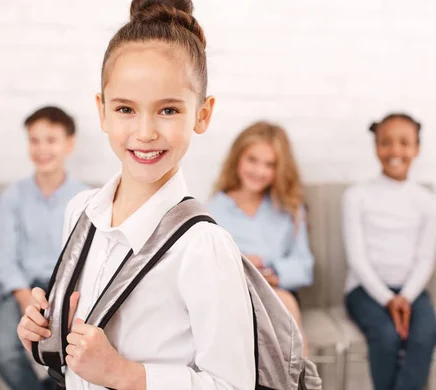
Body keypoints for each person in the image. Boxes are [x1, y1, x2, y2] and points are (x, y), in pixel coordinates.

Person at [16, 0, 256, 388]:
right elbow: (80, 353)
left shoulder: (203, 246)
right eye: (126, 109)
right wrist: (45, 335)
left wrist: (123, 374)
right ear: (102, 111)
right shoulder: (80, 212)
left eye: (168, 111)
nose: (145, 132)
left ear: (202, 114)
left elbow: (233, 384)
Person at [0, 106, 88, 390]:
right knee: (2, 348)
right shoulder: (13, 196)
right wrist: (22, 296)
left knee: (71, 355)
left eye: (51, 140)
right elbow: (3, 257)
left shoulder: (85, 199)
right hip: (21, 288)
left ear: (69, 144)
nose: (42, 149)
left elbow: (86, 257)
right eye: (35, 140)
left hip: (66, 291)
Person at [343, 113, 436, 390]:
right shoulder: (356, 196)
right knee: (386, 336)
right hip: (364, 290)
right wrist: (388, 299)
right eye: (386, 142)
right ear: (376, 147)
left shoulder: (427, 201)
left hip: (411, 291)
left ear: (417, 148)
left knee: (425, 334)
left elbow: (424, 259)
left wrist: (405, 297)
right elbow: (357, 259)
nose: (395, 150)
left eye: (404, 142)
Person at [207, 121, 314, 356]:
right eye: (252, 160)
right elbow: (208, 264)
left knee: (284, 303)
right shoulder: (216, 208)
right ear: (237, 159)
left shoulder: (290, 210)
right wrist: (241, 264)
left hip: (276, 291)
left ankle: (296, 380)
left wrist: (270, 272)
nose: (259, 171)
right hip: (234, 292)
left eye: (270, 164)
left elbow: (304, 266)